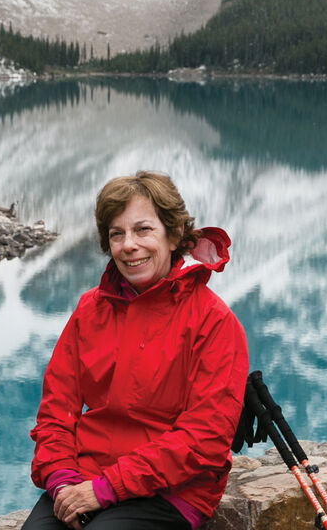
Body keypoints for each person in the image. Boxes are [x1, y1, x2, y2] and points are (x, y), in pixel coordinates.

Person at [23, 171, 249, 530]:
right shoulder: (89, 310)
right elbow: (56, 410)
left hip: (174, 490)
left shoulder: (213, 322)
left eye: (143, 230)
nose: (129, 245)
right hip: (87, 475)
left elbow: (205, 438)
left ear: (174, 236)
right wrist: (62, 479)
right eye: (117, 234)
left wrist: (107, 488)